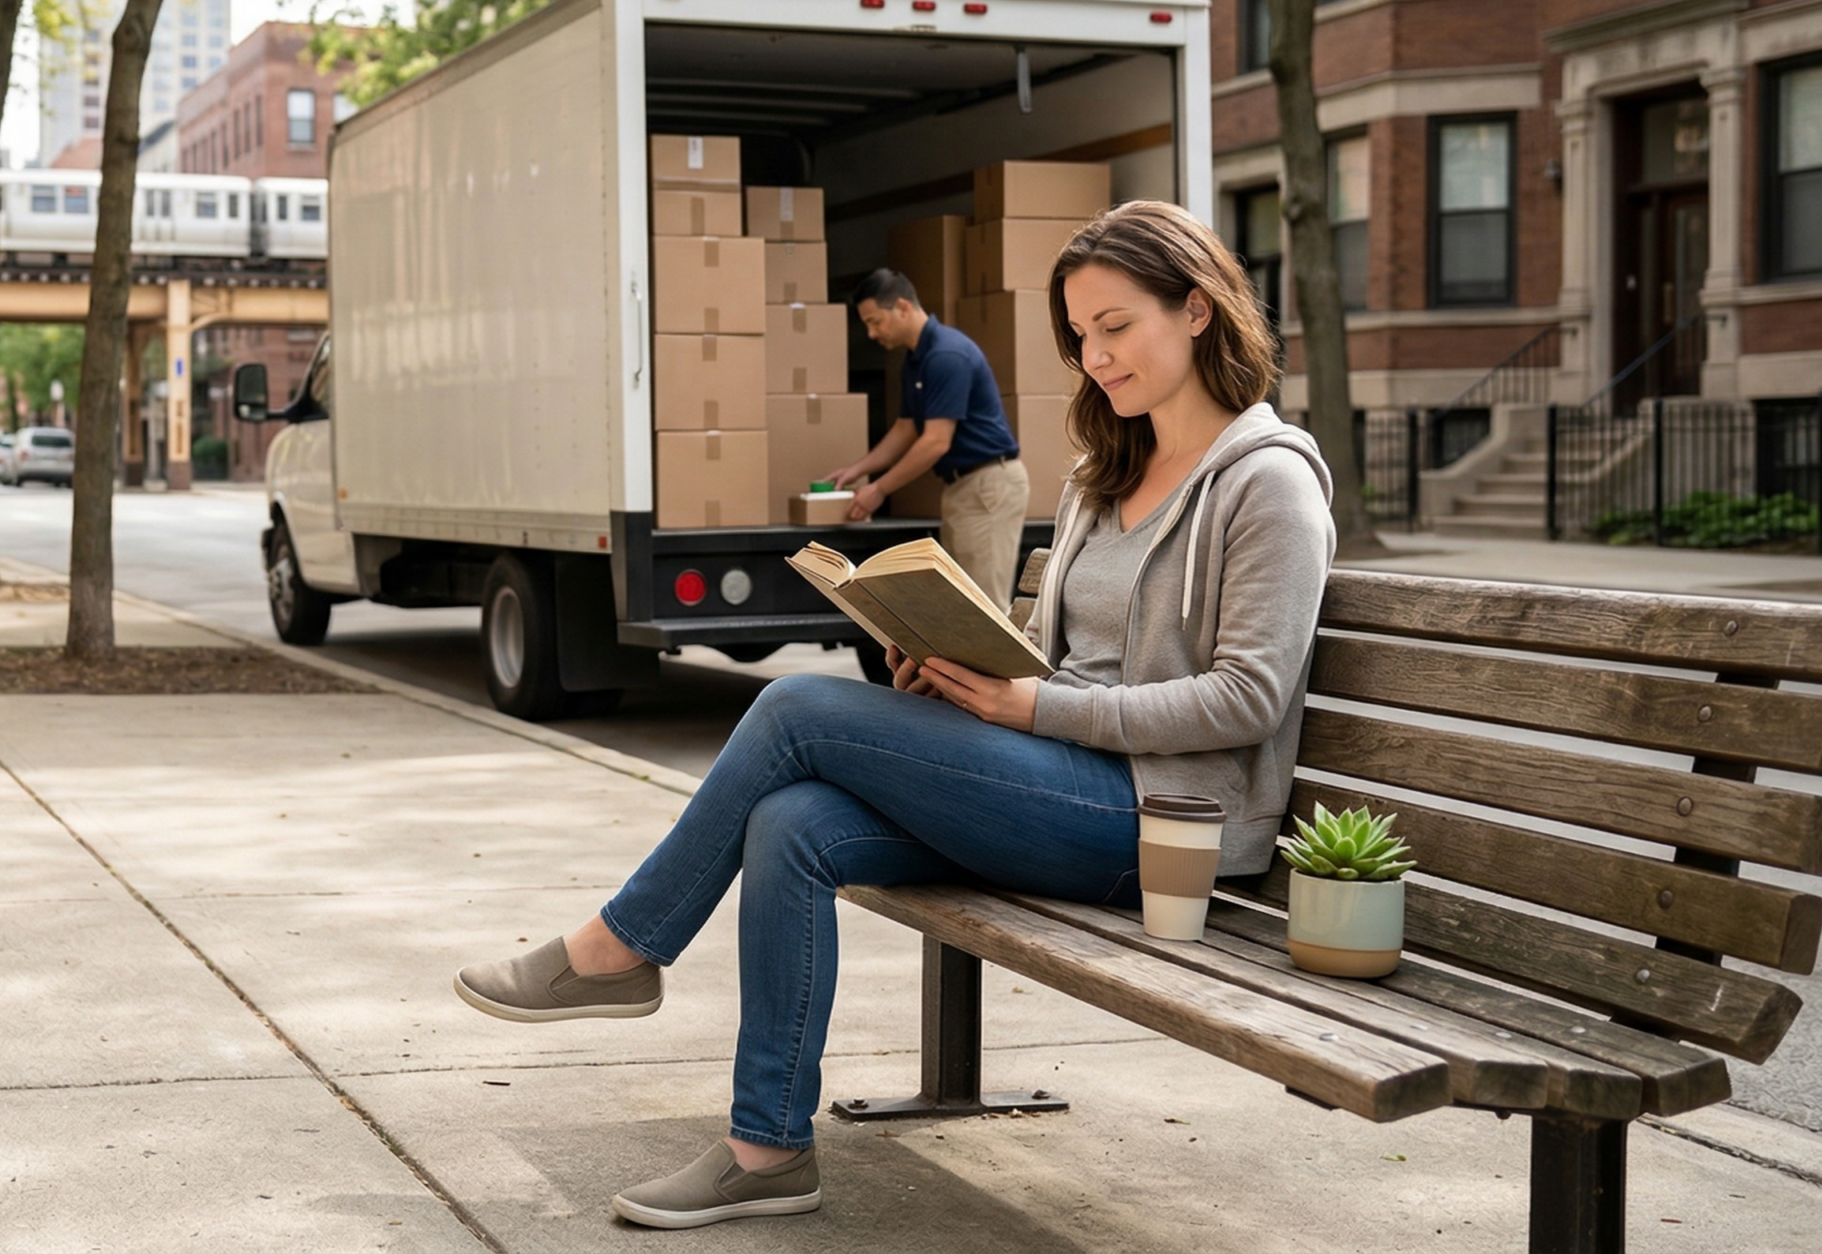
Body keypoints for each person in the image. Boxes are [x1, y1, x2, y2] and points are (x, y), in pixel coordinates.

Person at [452, 201, 1335, 1229]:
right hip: (1059, 778)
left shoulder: (1268, 484)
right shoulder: (1105, 476)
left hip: (1162, 823)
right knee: (793, 825)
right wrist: (962, 670)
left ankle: (621, 946)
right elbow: (1063, 661)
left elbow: (1248, 697)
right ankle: (767, 1146)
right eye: (1079, 335)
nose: (1094, 356)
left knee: (794, 708)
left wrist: (1029, 704)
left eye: (1115, 325)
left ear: (1195, 311)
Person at [823, 269, 1030, 607]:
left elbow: (936, 441)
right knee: (962, 604)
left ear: (903, 306)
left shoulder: (946, 355)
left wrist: (880, 489)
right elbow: (906, 429)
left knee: (985, 607)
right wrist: (857, 470)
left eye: (875, 321)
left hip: (987, 487)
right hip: (962, 489)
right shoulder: (916, 360)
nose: (872, 333)